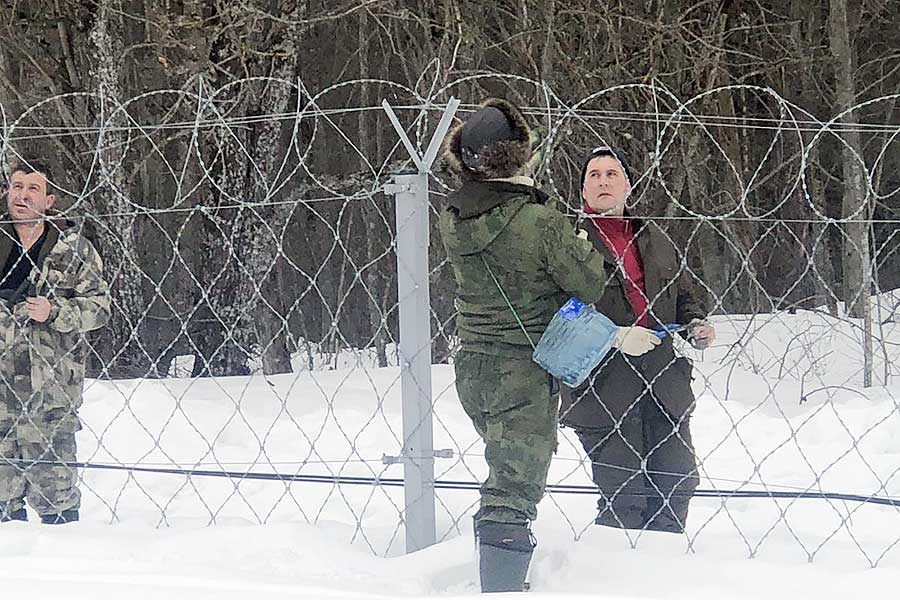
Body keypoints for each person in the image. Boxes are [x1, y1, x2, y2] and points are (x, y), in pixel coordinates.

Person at [439, 102, 660, 592]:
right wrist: (576, 241)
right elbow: (587, 281)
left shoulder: (453, 217)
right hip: (521, 368)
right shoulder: (539, 219)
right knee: (513, 488)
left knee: (504, 469)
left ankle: (497, 571)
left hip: (472, 364)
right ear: (518, 157)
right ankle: (500, 586)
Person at [559, 146, 715, 534]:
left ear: (627, 186)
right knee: (624, 492)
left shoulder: (654, 236)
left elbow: (682, 292)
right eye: (594, 176)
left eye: (612, 174)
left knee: (676, 480)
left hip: (662, 380)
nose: (603, 182)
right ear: (583, 192)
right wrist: (612, 336)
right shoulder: (567, 241)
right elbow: (555, 312)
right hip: (603, 386)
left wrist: (696, 322)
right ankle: (621, 575)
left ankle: (665, 569)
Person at [0, 158, 110, 525]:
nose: (23, 195)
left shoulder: (72, 250)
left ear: (49, 201)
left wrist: (55, 312)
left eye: (33, 188)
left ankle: (63, 575)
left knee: (58, 504)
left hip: (51, 396)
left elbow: (100, 308)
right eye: (17, 186)